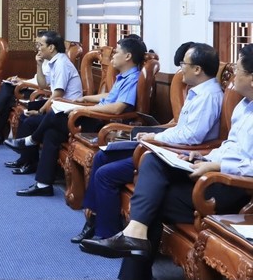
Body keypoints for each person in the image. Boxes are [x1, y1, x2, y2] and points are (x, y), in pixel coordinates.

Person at [79, 44, 253, 280]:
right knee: (151, 163)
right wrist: (205, 157)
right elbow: (230, 147)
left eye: (239, 70)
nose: (233, 77)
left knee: (150, 201)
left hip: (232, 188)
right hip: (210, 174)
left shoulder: (217, 98)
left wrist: (217, 166)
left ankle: (132, 252)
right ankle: (134, 235)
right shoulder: (244, 107)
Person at [71, 43, 223, 244]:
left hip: (176, 155)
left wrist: (156, 137)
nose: (180, 68)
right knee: (102, 156)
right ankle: (94, 219)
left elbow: (191, 138)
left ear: (197, 69)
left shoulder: (209, 97)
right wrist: (156, 132)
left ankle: (106, 233)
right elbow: (181, 129)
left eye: (183, 64)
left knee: (105, 174)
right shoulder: (197, 92)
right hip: (166, 147)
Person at [7, 36, 147, 196]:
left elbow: (117, 108)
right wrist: (86, 98)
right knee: (51, 133)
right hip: (94, 114)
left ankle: (30, 140)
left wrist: (88, 109)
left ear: (128, 56)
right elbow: (110, 96)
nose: (113, 55)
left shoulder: (134, 78)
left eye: (116, 52)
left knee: (54, 113)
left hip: (102, 123)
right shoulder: (123, 76)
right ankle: (43, 184)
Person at [0, 31, 81, 146]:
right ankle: (20, 154)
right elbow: (43, 84)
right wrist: (38, 65)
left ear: (51, 47)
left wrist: (40, 111)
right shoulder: (52, 62)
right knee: (14, 102)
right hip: (56, 103)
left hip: (65, 107)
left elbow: (56, 93)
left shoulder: (61, 64)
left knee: (12, 98)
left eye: (40, 45)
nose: (37, 49)